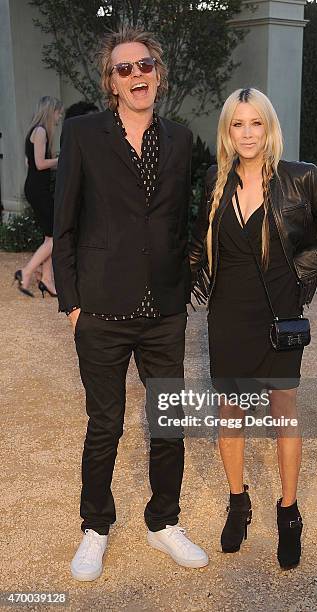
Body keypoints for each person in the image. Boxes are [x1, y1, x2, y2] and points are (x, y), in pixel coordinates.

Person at [52, 27, 208, 582]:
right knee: (106, 425)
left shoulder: (183, 139)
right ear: (111, 83)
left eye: (145, 65)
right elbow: (64, 223)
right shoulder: (84, 133)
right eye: (125, 69)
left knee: (170, 423)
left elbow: (182, 222)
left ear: (158, 75)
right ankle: (95, 528)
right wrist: (72, 303)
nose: (137, 75)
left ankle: (164, 521)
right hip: (101, 310)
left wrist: (185, 281)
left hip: (164, 310)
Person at [190, 88, 317, 569]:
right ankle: (238, 502)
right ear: (227, 132)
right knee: (232, 413)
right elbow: (199, 249)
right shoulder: (214, 179)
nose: (246, 134)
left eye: (256, 124)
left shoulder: (301, 179)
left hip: (277, 315)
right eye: (237, 124)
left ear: (269, 128)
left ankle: (288, 512)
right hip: (227, 313)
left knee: (283, 411)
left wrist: (301, 268)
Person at [14, 96, 63, 297]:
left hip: (35, 188)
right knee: (55, 238)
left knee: (50, 236)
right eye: (59, 112)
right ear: (51, 111)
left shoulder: (32, 132)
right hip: (38, 191)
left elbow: (29, 163)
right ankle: (26, 272)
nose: (60, 116)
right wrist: (62, 159)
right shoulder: (41, 131)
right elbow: (40, 163)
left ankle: (47, 280)